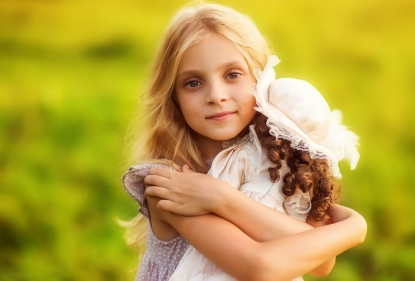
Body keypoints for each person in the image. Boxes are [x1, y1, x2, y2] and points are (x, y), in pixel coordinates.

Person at [121, 3, 367, 281]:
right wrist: (352, 229)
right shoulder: (170, 183)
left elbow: (321, 263)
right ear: (172, 97)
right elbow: (258, 267)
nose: (216, 95)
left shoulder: (279, 164)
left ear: (260, 80)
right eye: (193, 82)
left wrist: (220, 198)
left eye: (233, 75)